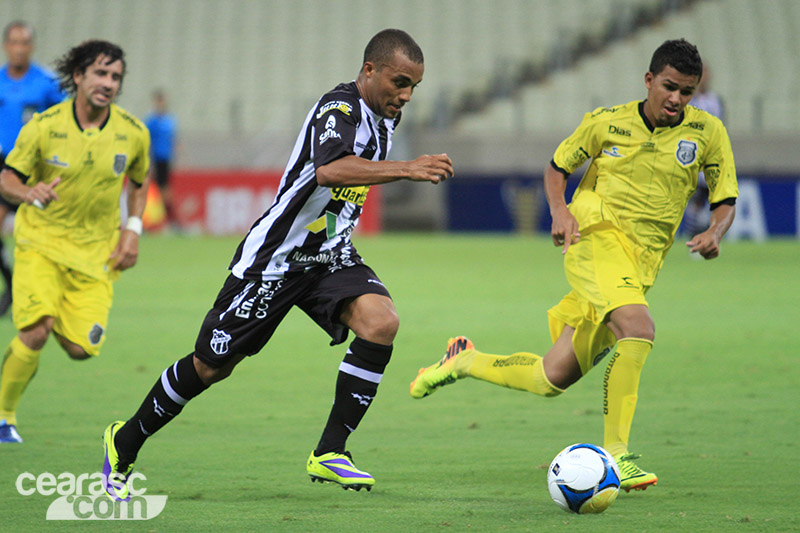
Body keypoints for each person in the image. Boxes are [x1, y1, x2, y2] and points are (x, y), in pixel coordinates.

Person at [100, 28, 453, 501]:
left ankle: (331, 451)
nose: (406, 96)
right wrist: (409, 167)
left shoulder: (385, 117)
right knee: (210, 366)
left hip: (328, 254)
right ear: (369, 70)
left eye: (414, 87)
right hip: (277, 259)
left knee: (381, 322)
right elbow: (330, 169)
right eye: (400, 82)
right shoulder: (340, 109)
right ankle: (124, 442)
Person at [410, 39, 737, 493]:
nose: (676, 100)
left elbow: (724, 199)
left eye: (687, 91)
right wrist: (560, 210)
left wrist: (715, 233)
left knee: (552, 377)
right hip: (594, 236)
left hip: (641, 264)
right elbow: (555, 168)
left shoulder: (708, 132)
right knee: (638, 328)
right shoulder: (606, 123)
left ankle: (464, 359)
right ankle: (618, 456)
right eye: (669, 87)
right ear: (649, 81)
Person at [0, 40, 150, 444]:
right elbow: (7, 178)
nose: (108, 83)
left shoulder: (133, 133)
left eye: (115, 76)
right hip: (40, 243)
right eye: (100, 73)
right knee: (36, 328)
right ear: (79, 77)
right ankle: (3, 415)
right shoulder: (44, 126)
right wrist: (28, 193)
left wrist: (132, 230)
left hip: (94, 253)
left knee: (80, 349)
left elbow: (139, 182)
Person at [0, 21, 66, 316]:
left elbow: (66, 118)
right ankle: (12, 286)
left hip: (37, 166)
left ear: (32, 46)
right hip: (4, 164)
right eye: (14, 42)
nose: (19, 48)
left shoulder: (46, 83)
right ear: (6, 45)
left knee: (47, 232)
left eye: (24, 42)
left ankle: (52, 292)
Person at [683, 64, 725, 239]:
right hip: (691, 155)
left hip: (711, 155)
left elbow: (722, 127)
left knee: (712, 198)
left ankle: (708, 235)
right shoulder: (688, 99)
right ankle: (693, 234)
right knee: (695, 198)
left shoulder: (715, 100)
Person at [144, 89, 177, 226]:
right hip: (155, 160)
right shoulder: (151, 121)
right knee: (154, 190)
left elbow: (173, 140)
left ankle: (164, 221)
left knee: (165, 191)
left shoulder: (170, 121)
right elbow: (146, 142)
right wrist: (149, 162)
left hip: (166, 160)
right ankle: (158, 221)